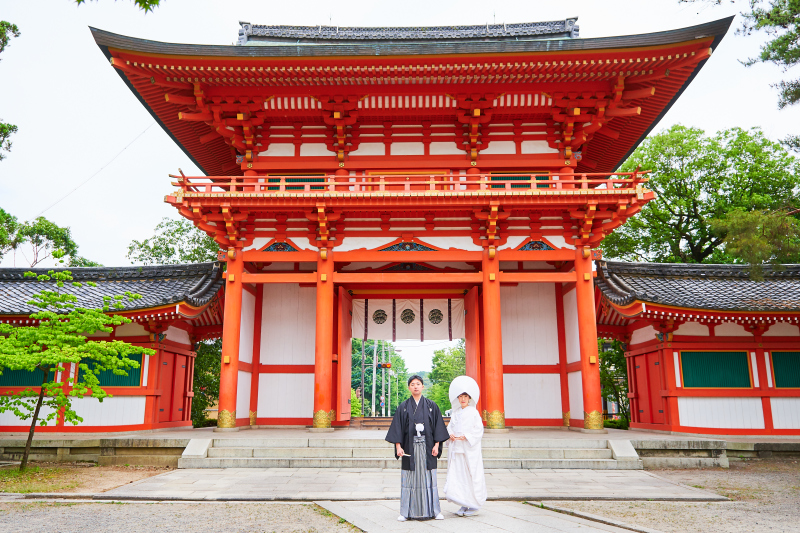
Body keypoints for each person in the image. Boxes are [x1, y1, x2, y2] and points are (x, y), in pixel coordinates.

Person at [385, 374, 449, 521]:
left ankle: (435, 511)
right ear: (409, 387)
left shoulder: (432, 406)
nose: (415, 386)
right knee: (409, 479)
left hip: (428, 448)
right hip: (409, 448)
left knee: (430, 479)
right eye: (412, 384)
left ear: (422, 386)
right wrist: (398, 447)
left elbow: (437, 427)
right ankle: (405, 512)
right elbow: (398, 428)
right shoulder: (404, 407)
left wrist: (437, 445)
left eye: (418, 384)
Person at [443, 375, 487, 517]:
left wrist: (466, 436)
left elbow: (478, 430)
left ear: (469, 398)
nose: (463, 399)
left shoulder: (474, 412)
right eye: (460, 396)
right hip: (457, 449)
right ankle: (463, 503)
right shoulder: (455, 413)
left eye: (465, 396)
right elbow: (450, 427)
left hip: (468, 449)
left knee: (470, 475)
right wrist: (450, 435)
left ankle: (473, 505)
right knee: (459, 476)